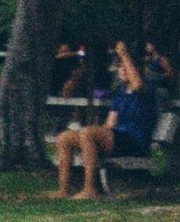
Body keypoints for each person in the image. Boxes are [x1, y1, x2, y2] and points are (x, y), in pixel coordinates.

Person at [53, 42, 156, 200]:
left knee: (88, 133)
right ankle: (64, 189)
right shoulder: (120, 94)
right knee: (65, 137)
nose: (122, 69)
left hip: (134, 141)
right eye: (119, 66)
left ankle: (90, 188)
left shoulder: (145, 88)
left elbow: (137, 84)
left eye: (125, 67)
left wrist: (124, 54)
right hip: (116, 138)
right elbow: (110, 124)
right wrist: (96, 133)